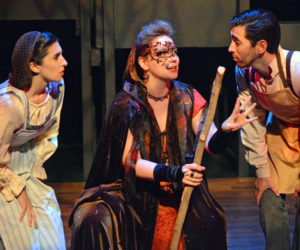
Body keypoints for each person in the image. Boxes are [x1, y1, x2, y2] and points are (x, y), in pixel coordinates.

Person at [69, 20, 256, 250]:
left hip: (178, 186)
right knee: (99, 222)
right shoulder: (127, 104)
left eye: (174, 52)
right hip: (134, 191)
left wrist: (226, 131)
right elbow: (131, 162)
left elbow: (208, 142)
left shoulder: (187, 96)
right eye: (162, 53)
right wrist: (174, 173)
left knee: (211, 221)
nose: (173, 58)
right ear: (143, 62)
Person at [228, 9, 300, 250]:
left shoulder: (296, 68)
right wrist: (261, 171)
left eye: (236, 42)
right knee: (268, 199)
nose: (230, 48)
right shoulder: (244, 72)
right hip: (280, 132)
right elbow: (252, 120)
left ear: (260, 46)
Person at [0, 31, 68, 249]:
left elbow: (50, 133)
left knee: (51, 234)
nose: (64, 62)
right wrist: (18, 192)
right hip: (3, 176)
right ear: (34, 66)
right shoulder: (10, 105)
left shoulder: (56, 89)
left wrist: (32, 164)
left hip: (25, 170)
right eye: (56, 57)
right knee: (25, 236)